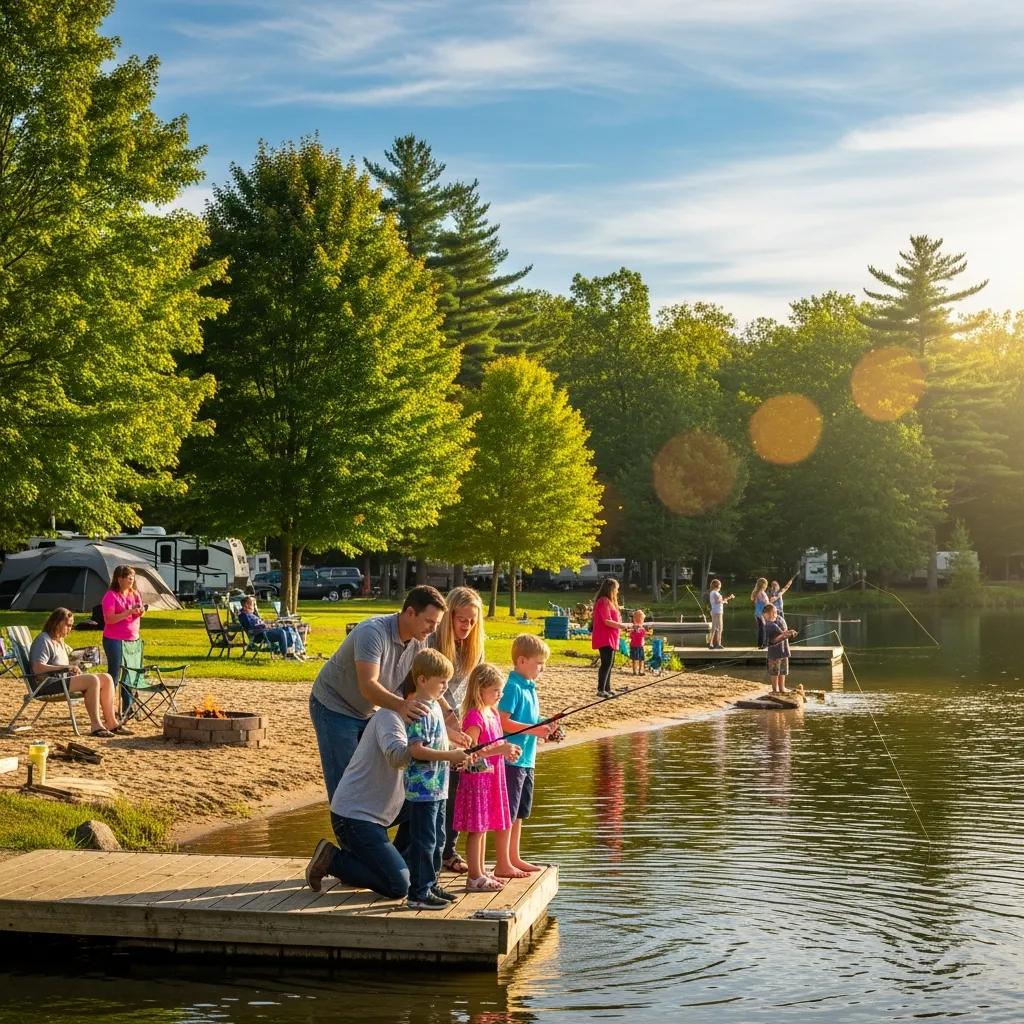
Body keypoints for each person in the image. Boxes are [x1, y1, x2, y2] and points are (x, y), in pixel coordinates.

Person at [303, 698, 470, 900]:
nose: (443, 692)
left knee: (426, 806)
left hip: (386, 810)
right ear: (419, 684)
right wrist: (437, 753)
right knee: (399, 886)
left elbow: (430, 758)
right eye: (440, 684)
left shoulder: (425, 718)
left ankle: (397, 863)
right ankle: (332, 859)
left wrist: (454, 756)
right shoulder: (389, 717)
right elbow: (397, 757)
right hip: (355, 816)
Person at [308, 585, 451, 801]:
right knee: (346, 786)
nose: (432, 629)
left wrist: (449, 716)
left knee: (375, 779)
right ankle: (344, 821)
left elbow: (426, 683)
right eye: (429, 622)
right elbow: (368, 686)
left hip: (370, 711)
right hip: (334, 707)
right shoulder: (372, 632)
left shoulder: (419, 641)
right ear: (410, 612)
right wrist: (401, 706)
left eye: (437, 624)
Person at [400, 649, 468, 908]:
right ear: (422, 679)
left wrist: (455, 750)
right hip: (422, 790)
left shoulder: (435, 707)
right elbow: (416, 750)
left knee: (439, 839)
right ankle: (418, 893)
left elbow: (437, 742)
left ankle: (432, 883)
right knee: (424, 841)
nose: (445, 687)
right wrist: (449, 756)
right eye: (441, 682)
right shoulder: (419, 710)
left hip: (439, 787)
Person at [430, 586, 486, 874]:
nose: (467, 626)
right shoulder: (433, 641)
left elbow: (476, 688)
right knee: (436, 789)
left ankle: (448, 850)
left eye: (472, 621)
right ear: (449, 616)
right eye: (462, 619)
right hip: (434, 718)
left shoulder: (475, 646)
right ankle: (433, 850)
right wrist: (448, 718)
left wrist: (475, 726)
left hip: (461, 723)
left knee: (458, 787)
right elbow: (427, 686)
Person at [453, 663, 522, 892]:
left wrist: (508, 750)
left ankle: (481, 871)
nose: (499, 695)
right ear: (479, 689)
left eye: (500, 690)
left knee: (483, 827)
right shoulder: (474, 716)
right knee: (476, 829)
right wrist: (499, 750)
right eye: (495, 690)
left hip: (492, 778)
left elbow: (496, 744)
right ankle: (474, 877)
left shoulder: (492, 712)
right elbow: (470, 752)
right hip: (477, 781)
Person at [496, 634, 561, 878]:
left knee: (520, 812)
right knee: (508, 812)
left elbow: (529, 721)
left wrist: (546, 725)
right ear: (522, 661)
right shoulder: (513, 687)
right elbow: (503, 721)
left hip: (527, 760)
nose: (542, 668)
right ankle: (502, 862)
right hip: (511, 760)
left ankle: (514, 857)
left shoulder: (530, 687)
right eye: (539, 663)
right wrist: (535, 730)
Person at [29, 608, 128, 737]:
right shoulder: (44, 640)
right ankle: (96, 725)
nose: (70, 629)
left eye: (71, 625)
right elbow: (37, 668)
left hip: (63, 679)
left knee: (107, 678)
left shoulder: (59, 640)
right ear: (57, 623)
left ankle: (111, 723)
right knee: (92, 680)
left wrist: (80, 661)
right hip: (47, 683)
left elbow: (68, 659)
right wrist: (65, 667)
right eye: (68, 625)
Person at [101, 565, 146, 717]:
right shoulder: (110, 596)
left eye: (132, 577)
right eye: (128, 577)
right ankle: (108, 708)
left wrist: (140, 611)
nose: (131, 579)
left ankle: (128, 707)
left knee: (129, 674)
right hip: (114, 640)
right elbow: (109, 619)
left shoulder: (135, 594)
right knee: (114, 674)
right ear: (119, 579)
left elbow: (139, 613)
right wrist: (128, 612)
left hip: (133, 640)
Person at [237, 596, 305, 659]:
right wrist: (266, 626)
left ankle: (299, 651)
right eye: (252, 604)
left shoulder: (251, 614)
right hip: (260, 634)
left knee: (290, 628)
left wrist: (272, 623)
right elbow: (252, 627)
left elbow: (260, 622)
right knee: (281, 632)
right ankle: (285, 654)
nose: (254, 607)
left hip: (265, 631)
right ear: (246, 605)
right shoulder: (244, 615)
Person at [591, 578, 622, 697]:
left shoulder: (609, 602)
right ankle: (601, 689)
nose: (617, 592)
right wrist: (622, 626)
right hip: (605, 637)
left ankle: (607, 688)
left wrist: (623, 626)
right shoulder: (603, 601)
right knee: (606, 663)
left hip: (611, 637)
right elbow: (607, 620)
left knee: (610, 663)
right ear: (611, 589)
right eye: (616, 589)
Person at [763, 603, 798, 694]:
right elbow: (778, 637)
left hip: (780, 651)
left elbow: (781, 634)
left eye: (767, 615)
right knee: (777, 671)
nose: (766, 617)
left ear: (772, 613)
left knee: (780, 671)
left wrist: (789, 633)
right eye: (766, 616)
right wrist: (788, 634)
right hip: (778, 651)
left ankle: (780, 688)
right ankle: (777, 689)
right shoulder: (772, 623)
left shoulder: (777, 621)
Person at [708, 579, 735, 650]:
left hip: (715, 611)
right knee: (720, 627)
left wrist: (726, 599)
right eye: (720, 585)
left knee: (714, 627)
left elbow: (719, 601)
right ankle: (718, 644)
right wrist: (726, 599)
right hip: (717, 612)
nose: (720, 586)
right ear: (717, 585)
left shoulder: (712, 592)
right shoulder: (715, 593)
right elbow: (718, 601)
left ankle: (711, 643)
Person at [628, 609, 650, 676]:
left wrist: (644, 631)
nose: (640, 621)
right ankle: (634, 671)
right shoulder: (633, 628)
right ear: (634, 619)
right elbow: (631, 635)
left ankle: (640, 671)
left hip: (640, 646)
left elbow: (643, 635)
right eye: (638, 619)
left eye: (641, 619)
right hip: (634, 645)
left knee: (641, 659)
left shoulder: (642, 629)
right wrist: (635, 630)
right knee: (634, 659)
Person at [750, 577, 769, 649]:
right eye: (766, 584)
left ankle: (760, 644)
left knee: (761, 629)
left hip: (757, 613)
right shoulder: (762, 593)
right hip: (762, 614)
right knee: (764, 629)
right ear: (763, 585)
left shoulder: (756, 592)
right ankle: (764, 645)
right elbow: (766, 603)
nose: (766, 586)